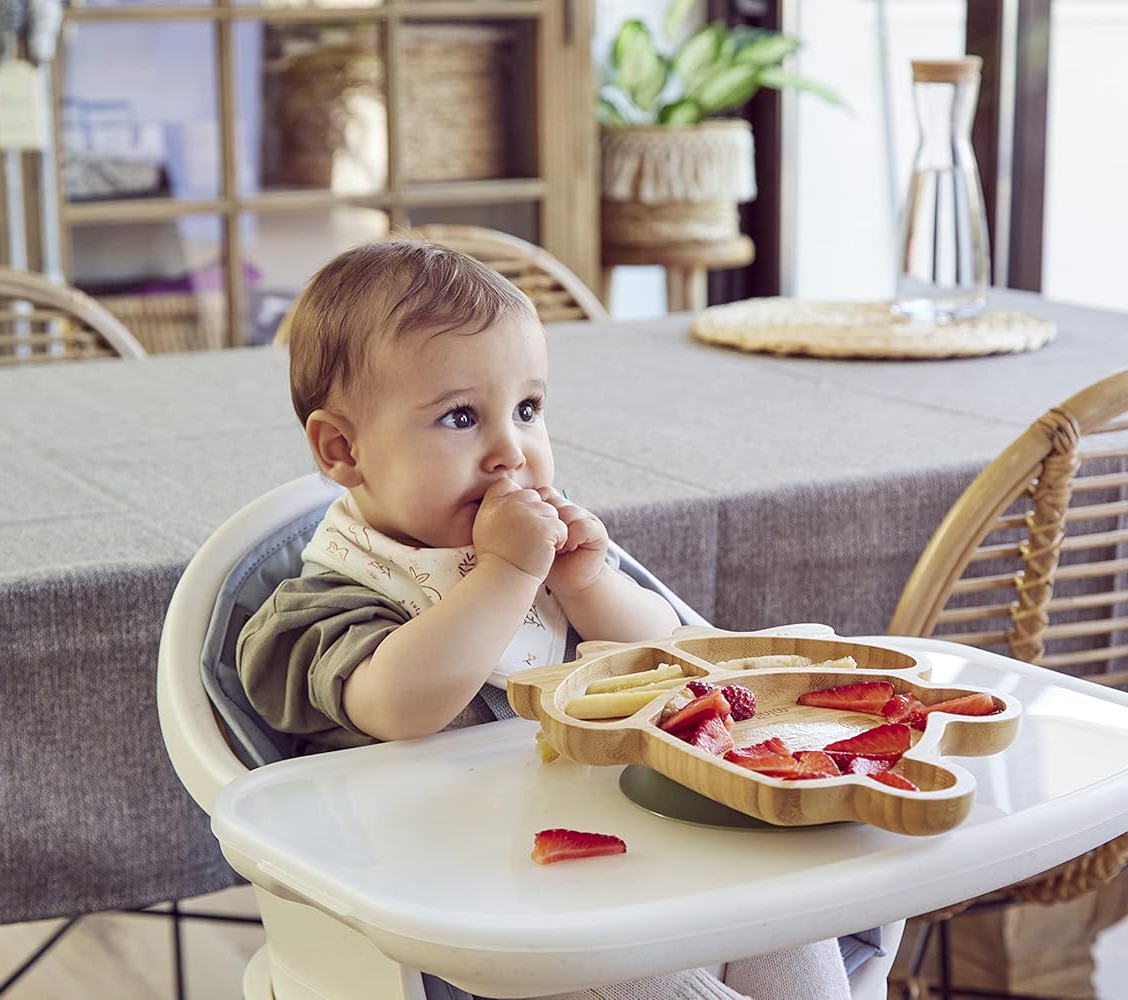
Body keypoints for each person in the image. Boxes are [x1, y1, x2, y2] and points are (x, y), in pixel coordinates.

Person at [236, 239, 856, 999]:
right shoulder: (325, 603)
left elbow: (671, 657)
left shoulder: (542, 554)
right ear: (343, 448)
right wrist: (505, 574)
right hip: (468, 911)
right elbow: (399, 704)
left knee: (788, 907)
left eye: (528, 409)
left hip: (630, 841)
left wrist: (588, 580)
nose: (510, 451)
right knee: (633, 967)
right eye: (460, 417)